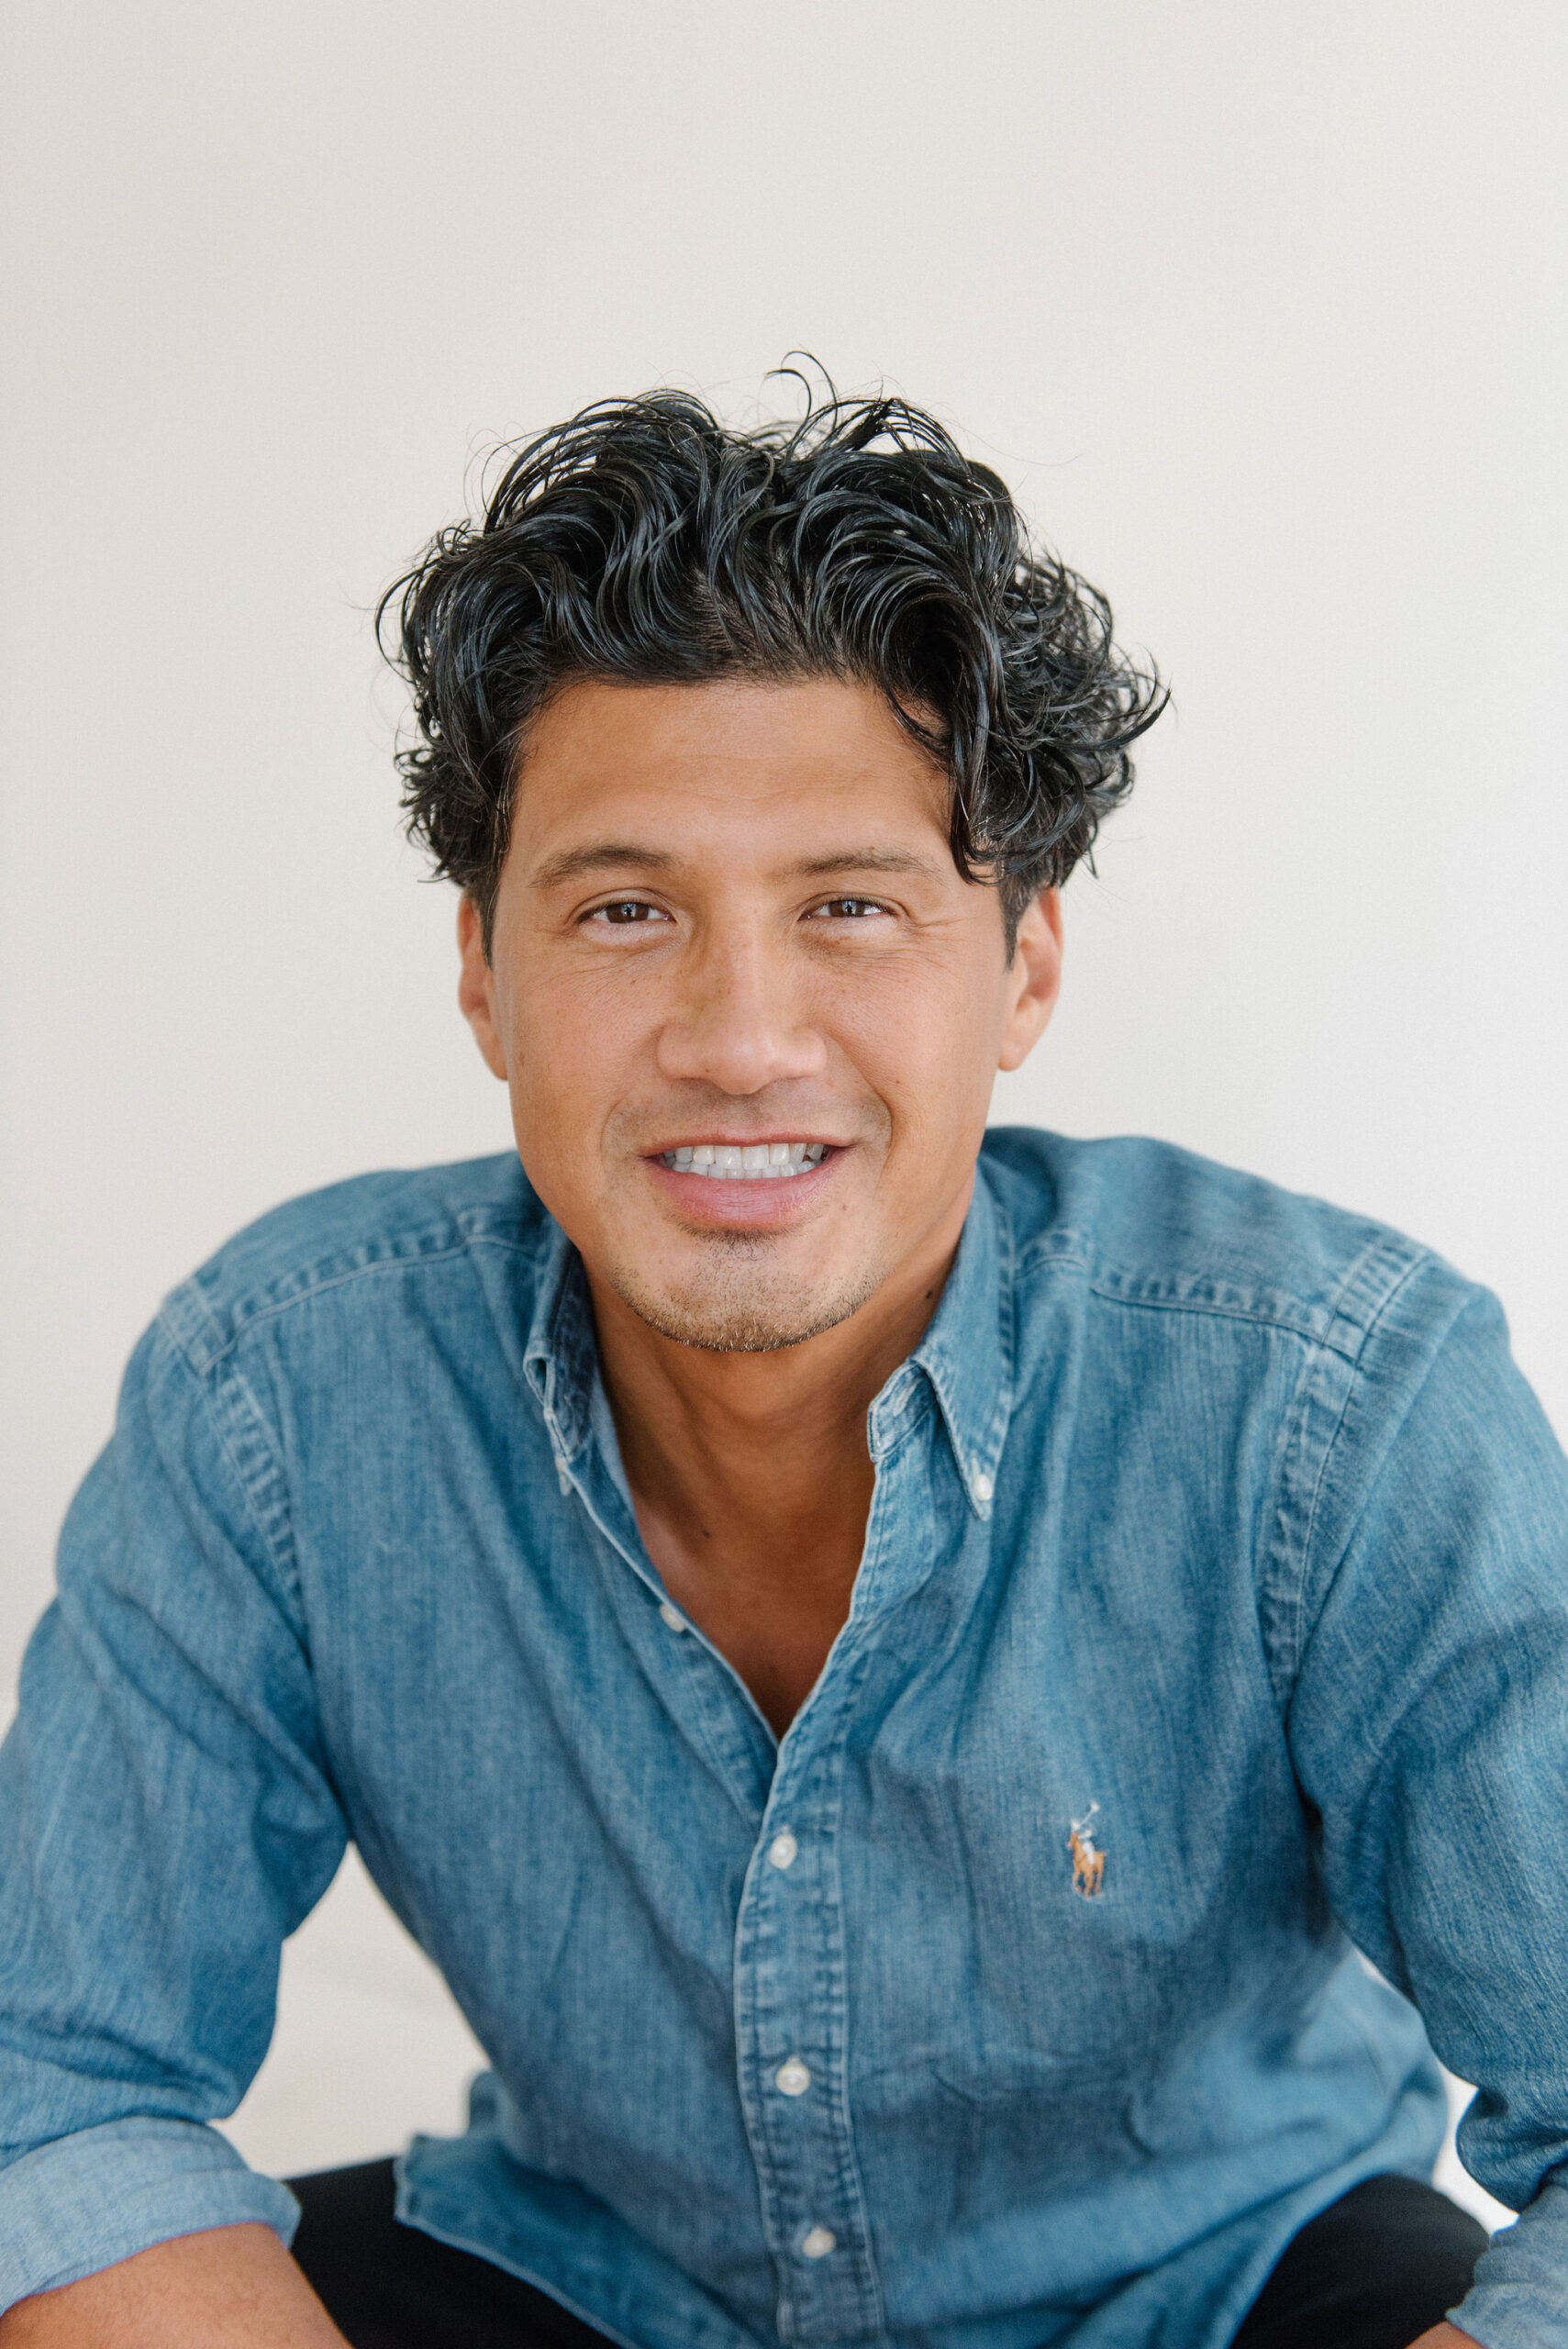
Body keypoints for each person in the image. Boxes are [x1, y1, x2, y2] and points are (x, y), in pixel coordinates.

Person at [0, 383, 1562, 2349]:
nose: (740, 1039)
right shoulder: (280, 1398)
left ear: (1025, 964)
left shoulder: (1340, 1403)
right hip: (602, 2287)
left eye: (850, 907)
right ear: (483, 970)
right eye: (625, 909)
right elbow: (58, 2079)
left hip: (1223, 2287)